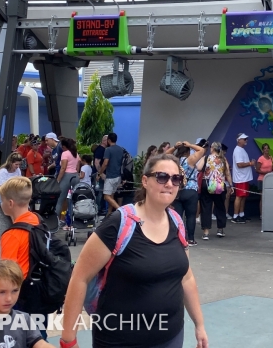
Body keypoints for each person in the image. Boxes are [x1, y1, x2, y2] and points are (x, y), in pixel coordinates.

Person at [60, 154, 209, 348]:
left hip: (170, 337)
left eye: (176, 178)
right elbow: (79, 278)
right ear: (145, 181)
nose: (170, 184)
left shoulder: (177, 222)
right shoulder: (119, 224)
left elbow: (186, 277)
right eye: (162, 177)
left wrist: (199, 324)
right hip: (120, 340)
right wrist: (68, 340)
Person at [0, 176, 48, 339]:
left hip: (22, 295)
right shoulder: (38, 221)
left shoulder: (12, 234)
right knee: (39, 336)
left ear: (10, 203)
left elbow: (8, 273)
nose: (1, 203)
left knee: (18, 338)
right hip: (42, 290)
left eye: (2, 200)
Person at [172, 140, 206, 246]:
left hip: (178, 190)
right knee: (190, 216)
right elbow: (202, 150)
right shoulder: (190, 160)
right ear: (187, 151)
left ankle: (176, 238)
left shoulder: (174, 161)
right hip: (191, 190)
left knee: (177, 216)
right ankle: (190, 239)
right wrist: (190, 145)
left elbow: (164, 154)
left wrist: (174, 147)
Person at [199, 142, 233, 240]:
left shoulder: (206, 158)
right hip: (219, 185)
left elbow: (198, 168)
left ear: (212, 148)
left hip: (207, 184)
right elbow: (227, 173)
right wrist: (231, 185)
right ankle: (220, 229)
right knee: (220, 207)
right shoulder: (223, 159)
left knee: (206, 207)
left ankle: (206, 232)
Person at [97, 132, 125, 215]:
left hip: (110, 177)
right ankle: (109, 214)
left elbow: (105, 163)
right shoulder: (120, 149)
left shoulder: (108, 150)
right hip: (118, 176)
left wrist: (99, 174)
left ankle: (121, 211)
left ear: (109, 140)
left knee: (106, 196)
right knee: (111, 196)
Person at [231, 133, 255, 224]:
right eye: (244, 139)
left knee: (243, 197)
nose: (246, 141)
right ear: (239, 140)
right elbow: (239, 164)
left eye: (246, 139)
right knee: (239, 197)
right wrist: (250, 163)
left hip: (244, 177)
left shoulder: (241, 150)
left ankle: (241, 214)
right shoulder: (238, 151)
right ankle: (235, 216)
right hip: (240, 178)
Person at [56, 137, 80, 227]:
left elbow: (63, 168)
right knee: (73, 200)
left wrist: (58, 180)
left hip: (67, 176)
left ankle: (56, 220)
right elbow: (78, 165)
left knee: (60, 200)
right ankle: (71, 221)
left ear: (64, 146)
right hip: (75, 176)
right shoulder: (75, 154)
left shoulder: (65, 153)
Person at [255, 143, 273, 216]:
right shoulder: (261, 158)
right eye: (265, 148)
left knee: (269, 197)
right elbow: (257, 170)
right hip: (262, 179)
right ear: (262, 150)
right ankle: (261, 215)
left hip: (269, 180)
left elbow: (272, 168)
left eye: (267, 148)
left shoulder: (271, 158)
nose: (266, 150)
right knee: (262, 197)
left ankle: (268, 214)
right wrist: (265, 172)